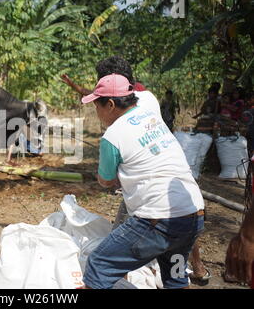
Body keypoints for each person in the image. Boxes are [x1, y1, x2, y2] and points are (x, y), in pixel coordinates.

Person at [81, 73, 205, 289]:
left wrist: (108, 176)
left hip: (158, 222)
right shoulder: (152, 118)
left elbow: (106, 182)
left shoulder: (113, 135)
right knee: (175, 276)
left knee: (98, 266)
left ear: (110, 104)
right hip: (192, 216)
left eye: (96, 106)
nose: (97, 112)